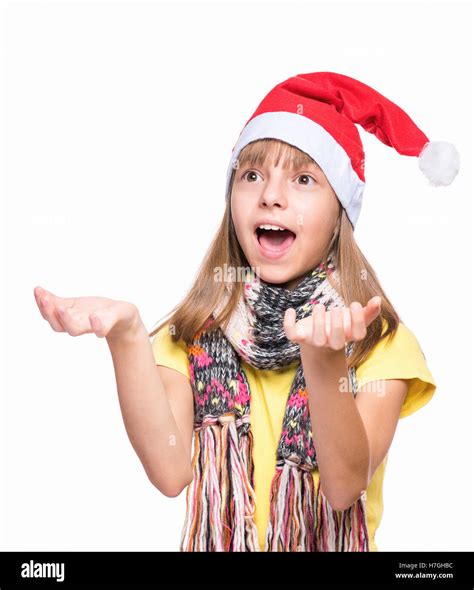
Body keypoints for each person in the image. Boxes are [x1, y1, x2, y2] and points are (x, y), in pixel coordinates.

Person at [33, 71, 460, 552]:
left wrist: (323, 362)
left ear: (340, 211)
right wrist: (127, 336)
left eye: (303, 179)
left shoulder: (379, 343)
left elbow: (343, 488)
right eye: (252, 175)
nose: (270, 195)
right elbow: (171, 471)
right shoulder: (189, 336)